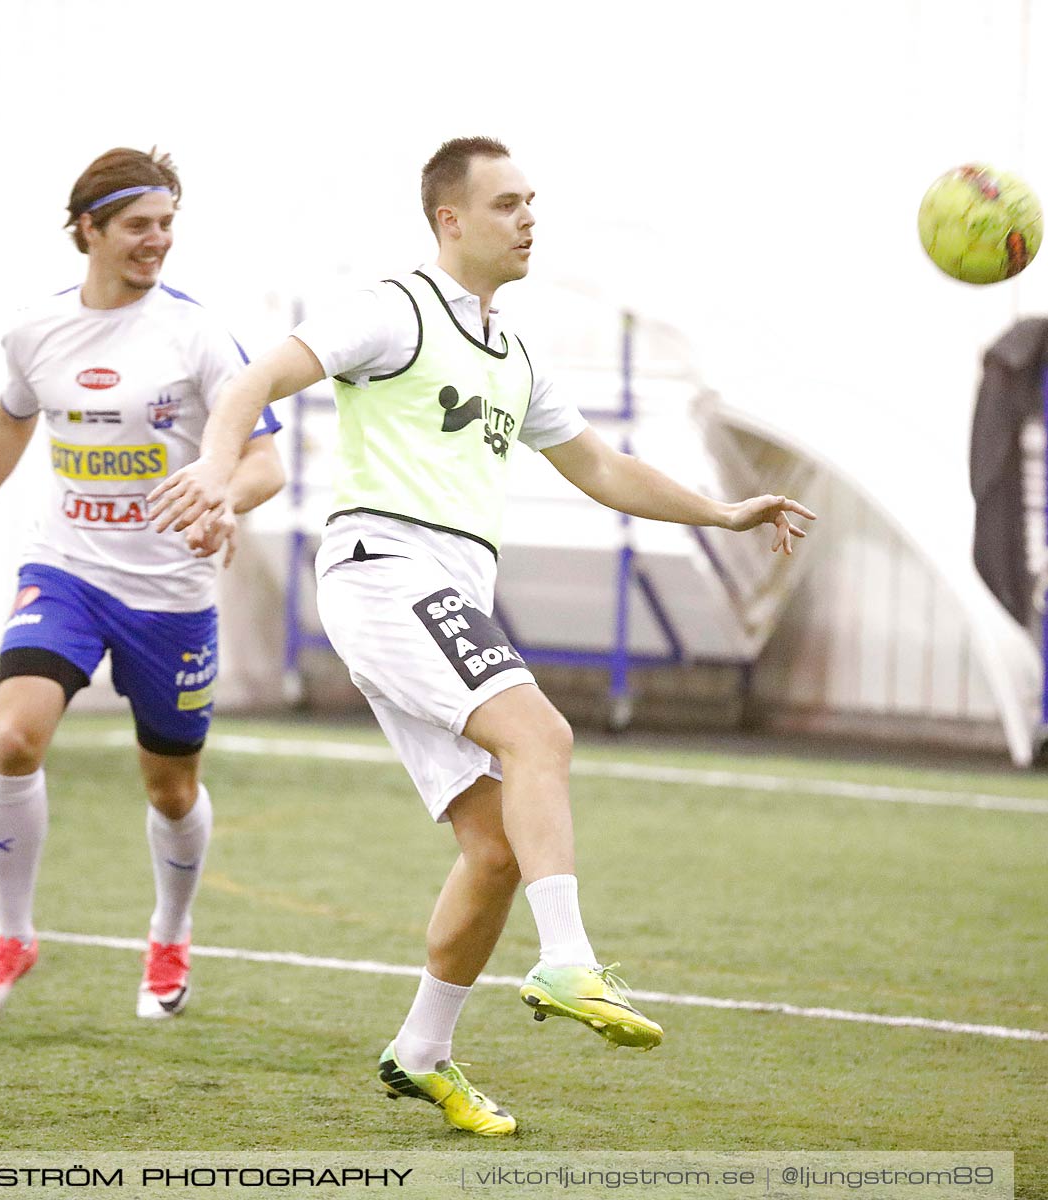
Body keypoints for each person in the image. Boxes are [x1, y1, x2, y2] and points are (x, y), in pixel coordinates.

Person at [149, 137, 814, 1136]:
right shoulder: (392, 308)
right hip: (386, 571)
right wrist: (211, 466)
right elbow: (251, 384)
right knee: (541, 736)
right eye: (506, 203)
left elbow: (599, 465)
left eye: (533, 201)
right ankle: (568, 962)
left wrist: (722, 513)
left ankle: (422, 1052)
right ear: (449, 220)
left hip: (441, 591)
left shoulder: (515, 352)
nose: (528, 218)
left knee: (497, 846)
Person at [0, 147, 284, 1023]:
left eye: (167, 226)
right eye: (139, 226)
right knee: (13, 742)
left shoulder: (198, 336)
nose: (158, 242)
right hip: (65, 571)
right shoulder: (37, 332)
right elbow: (10, 418)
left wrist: (222, 499)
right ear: (89, 230)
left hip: (171, 595)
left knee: (171, 790)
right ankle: (12, 934)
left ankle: (171, 935)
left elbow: (266, 463)